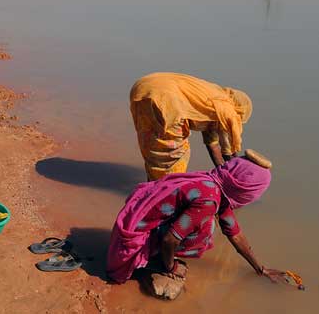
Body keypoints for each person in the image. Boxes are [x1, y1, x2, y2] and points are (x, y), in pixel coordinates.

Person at [106, 151, 286, 287]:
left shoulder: (212, 183)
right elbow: (170, 239)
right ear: (245, 191)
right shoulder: (208, 201)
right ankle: (159, 260)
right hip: (135, 236)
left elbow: (235, 234)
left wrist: (260, 269)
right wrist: (171, 268)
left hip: (135, 217)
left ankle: (158, 252)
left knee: (204, 222)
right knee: (206, 230)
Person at [130, 72, 253, 181]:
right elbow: (228, 154)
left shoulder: (213, 100)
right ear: (239, 112)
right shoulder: (227, 111)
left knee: (154, 145)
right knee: (175, 154)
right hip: (167, 99)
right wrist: (235, 175)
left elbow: (213, 146)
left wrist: (222, 173)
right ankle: (165, 193)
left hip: (143, 89)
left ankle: (151, 189)